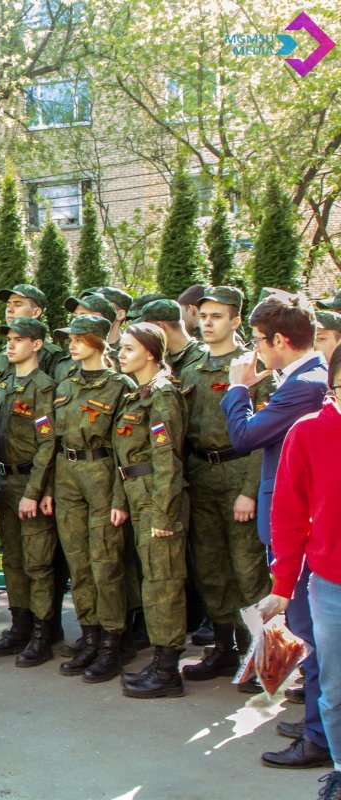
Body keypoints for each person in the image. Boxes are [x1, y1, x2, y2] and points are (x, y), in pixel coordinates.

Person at [221, 292, 330, 769]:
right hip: (295, 524)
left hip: (304, 532)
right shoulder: (300, 379)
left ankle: (320, 737)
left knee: (312, 631)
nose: (257, 350)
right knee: (309, 630)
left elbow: (246, 436)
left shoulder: (306, 384)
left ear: (281, 340)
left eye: (260, 341)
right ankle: (319, 719)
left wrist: (237, 389)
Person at [179, 287, 273, 688]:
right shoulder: (191, 366)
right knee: (210, 567)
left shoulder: (253, 366)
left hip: (238, 472)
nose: (208, 322)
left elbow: (266, 436)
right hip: (201, 475)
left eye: (218, 316)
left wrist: (250, 490)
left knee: (248, 570)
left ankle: (263, 655)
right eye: (204, 315)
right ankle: (222, 648)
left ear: (236, 320)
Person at [258, 348, 341, 797]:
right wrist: (283, 585)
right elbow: (290, 516)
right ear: (332, 387)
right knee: (335, 685)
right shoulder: (308, 433)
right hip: (331, 585)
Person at [51, 314, 137, 683]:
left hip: (102, 474)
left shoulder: (120, 386)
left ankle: (112, 643)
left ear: (100, 341)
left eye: (79, 338)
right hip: (67, 475)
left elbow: (127, 449)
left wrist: (120, 497)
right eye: (69, 338)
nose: (72, 344)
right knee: (78, 563)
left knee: (106, 563)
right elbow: (53, 438)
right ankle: (89, 635)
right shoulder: (66, 381)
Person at [110, 323, 190, 699]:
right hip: (138, 494)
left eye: (128, 349)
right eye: (121, 348)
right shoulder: (136, 395)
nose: (120, 354)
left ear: (152, 354)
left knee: (164, 581)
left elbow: (168, 461)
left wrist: (164, 514)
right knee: (152, 579)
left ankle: (168, 669)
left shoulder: (163, 396)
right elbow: (124, 457)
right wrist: (120, 501)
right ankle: (159, 660)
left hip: (157, 499)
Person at [0, 317, 58, 667]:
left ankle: (43, 633)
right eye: (9, 339)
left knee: (38, 561)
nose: (11, 345)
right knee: (12, 559)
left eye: (19, 339)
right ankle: (20, 624)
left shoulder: (43, 387)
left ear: (37, 345)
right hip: (6, 481)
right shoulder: (4, 384)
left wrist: (36, 489)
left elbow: (47, 445)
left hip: (30, 482)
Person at [134, 299, 209, 388]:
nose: (144, 333)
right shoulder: (160, 360)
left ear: (159, 326)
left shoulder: (203, 357)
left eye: (147, 328)